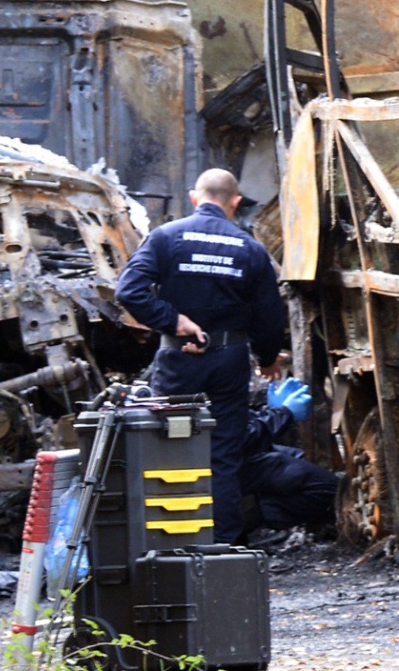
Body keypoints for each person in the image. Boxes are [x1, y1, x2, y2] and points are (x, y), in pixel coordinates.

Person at [115, 168, 288, 543]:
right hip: (229, 362)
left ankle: (169, 543)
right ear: (235, 202)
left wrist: (172, 321)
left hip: (178, 361)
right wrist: (267, 359)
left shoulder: (166, 237)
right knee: (223, 455)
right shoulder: (251, 249)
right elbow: (270, 317)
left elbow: (129, 290)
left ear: (195, 198)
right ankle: (224, 547)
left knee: (170, 447)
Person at [240, 377, 337, 541]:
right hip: (217, 466)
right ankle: (240, 517)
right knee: (323, 486)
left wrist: (268, 411)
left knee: (297, 458)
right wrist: (282, 414)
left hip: (222, 456)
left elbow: (232, 422)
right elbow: (234, 440)